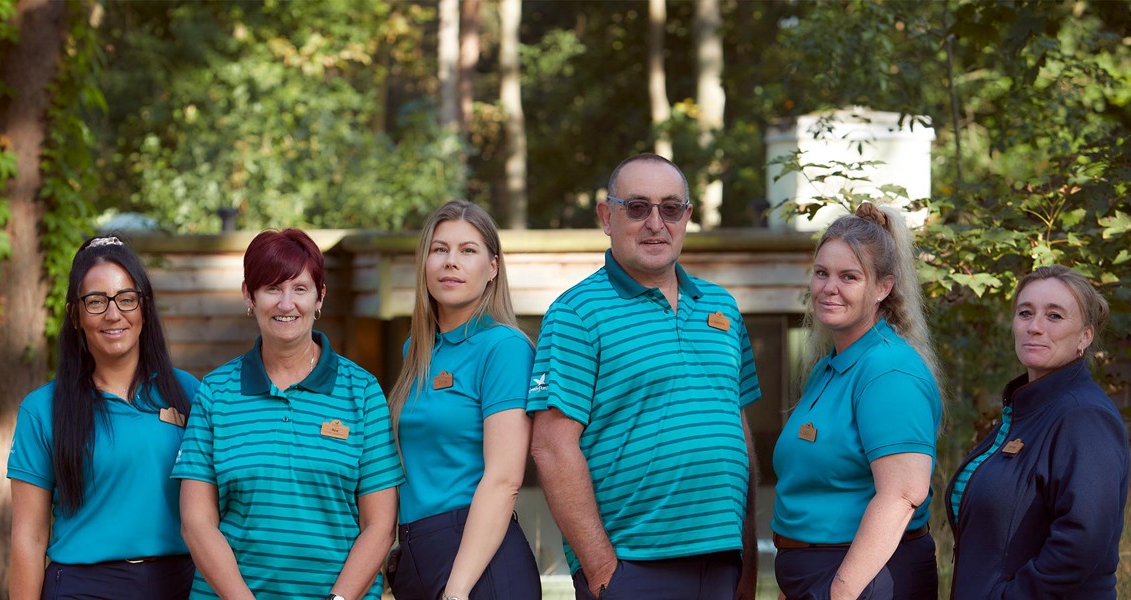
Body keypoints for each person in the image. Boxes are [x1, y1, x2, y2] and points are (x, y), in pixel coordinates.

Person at [528, 153, 762, 600]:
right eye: (637, 208)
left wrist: (748, 556)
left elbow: (737, 428)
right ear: (606, 216)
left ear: (687, 217)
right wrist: (603, 572)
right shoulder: (576, 314)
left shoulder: (723, 307)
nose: (656, 223)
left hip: (721, 563)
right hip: (631, 566)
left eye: (670, 208)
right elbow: (552, 447)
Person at [173, 228, 404, 600]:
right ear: (249, 295)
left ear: (320, 297)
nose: (286, 304)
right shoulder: (216, 392)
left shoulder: (361, 391)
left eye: (299, 289)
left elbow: (379, 525)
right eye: (272, 289)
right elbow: (197, 522)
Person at [8, 235, 200, 600]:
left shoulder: (189, 393)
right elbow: (28, 537)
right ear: (75, 316)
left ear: (144, 307)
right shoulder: (42, 409)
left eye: (126, 299)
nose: (114, 314)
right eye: (96, 302)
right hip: (84, 588)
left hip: (181, 584)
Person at [770, 203, 941, 600]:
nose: (829, 288)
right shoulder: (830, 367)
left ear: (883, 287)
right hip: (821, 576)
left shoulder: (888, 371)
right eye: (821, 273)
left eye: (849, 277)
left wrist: (840, 591)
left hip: (867, 579)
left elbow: (902, 494)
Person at [387, 200, 542, 600]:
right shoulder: (416, 351)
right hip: (417, 554)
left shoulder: (503, 347)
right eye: (439, 250)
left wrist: (455, 591)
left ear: (492, 268)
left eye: (467, 250)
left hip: (478, 564)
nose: (450, 262)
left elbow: (505, 478)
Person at [945, 265, 1128, 598]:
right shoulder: (1026, 408)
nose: (1035, 327)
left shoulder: (1083, 416)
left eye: (1054, 316)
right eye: (1025, 313)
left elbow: (1082, 540)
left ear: (1085, 336)